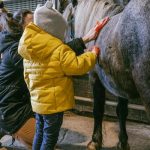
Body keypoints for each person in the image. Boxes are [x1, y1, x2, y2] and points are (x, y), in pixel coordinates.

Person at [18, 1, 109, 150]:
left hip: (38, 103)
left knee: (40, 133)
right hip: (54, 106)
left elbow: (26, 76)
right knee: (50, 138)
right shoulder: (59, 49)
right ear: (55, 29)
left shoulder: (28, 48)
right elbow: (77, 66)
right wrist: (92, 55)